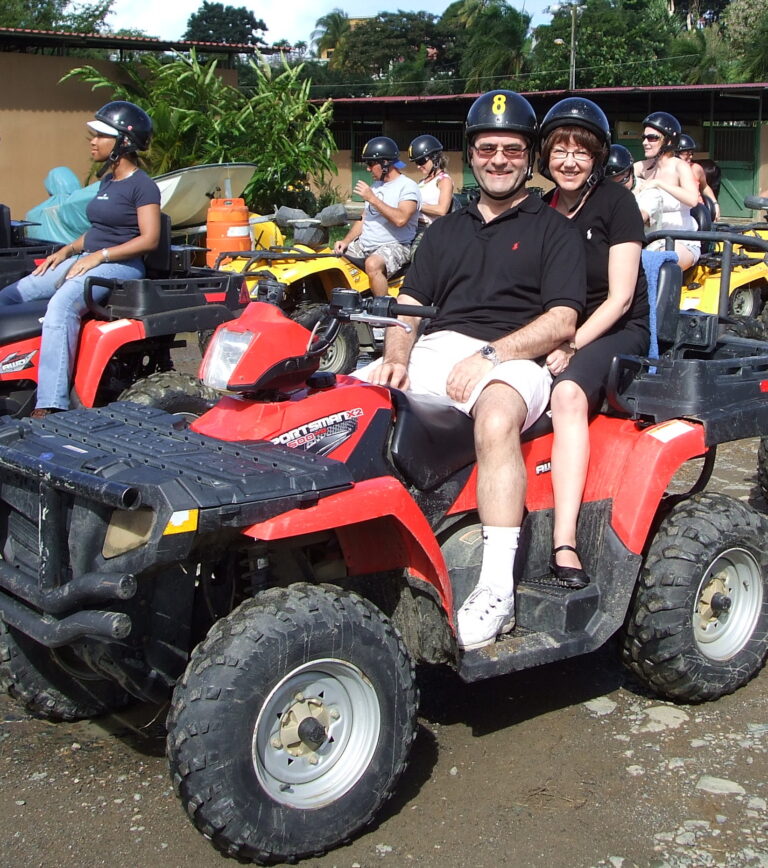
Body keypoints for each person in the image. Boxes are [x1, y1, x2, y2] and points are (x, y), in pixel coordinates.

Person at [355, 90, 586, 650]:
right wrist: (394, 358)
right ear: (472, 154)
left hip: (515, 357)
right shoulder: (445, 231)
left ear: (528, 157)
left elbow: (561, 320)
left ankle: (495, 585)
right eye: (488, 148)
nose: (499, 159)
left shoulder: (553, 229)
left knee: (498, 413)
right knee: (346, 397)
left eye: (511, 149)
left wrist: (491, 355)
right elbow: (410, 310)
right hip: (439, 349)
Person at [540, 98, 649, 588]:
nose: (569, 160)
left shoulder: (615, 203)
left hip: (615, 328)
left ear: (598, 157)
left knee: (565, 395)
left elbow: (621, 298)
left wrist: (571, 345)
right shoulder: (540, 209)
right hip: (560, 325)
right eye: (559, 149)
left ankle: (565, 541)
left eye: (580, 152)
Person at [0, 100, 161, 417]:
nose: (93, 141)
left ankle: (51, 402)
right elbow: (99, 230)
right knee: (7, 296)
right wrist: (67, 251)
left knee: (62, 305)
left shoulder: (143, 186)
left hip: (122, 265)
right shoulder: (107, 182)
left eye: (101, 136)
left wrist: (99, 256)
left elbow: (149, 239)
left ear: (123, 143)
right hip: (91, 257)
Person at [334, 137, 420, 297]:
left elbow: (401, 219)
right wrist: (345, 241)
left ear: (385, 163)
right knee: (331, 258)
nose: (368, 169)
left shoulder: (408, 187)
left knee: (373, 264)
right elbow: (364, 219)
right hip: (365, 245)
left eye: (371, 164)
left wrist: (372, 198)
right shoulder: (376, 186)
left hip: (395, 245)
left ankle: (381, 313)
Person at [634, 112, 700, 270]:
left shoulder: (679, 166)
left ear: (669, 140)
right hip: (648, 238)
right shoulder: (642, 167)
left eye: (652, 138)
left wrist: (659, 184)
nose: (645, 142)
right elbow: (618, 176)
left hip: (679, 240)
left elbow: (692, 199)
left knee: (659, 261)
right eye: (644, 137)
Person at [605, 143, 663, 231]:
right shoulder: (602, 190)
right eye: (612, 184)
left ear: (631, 172)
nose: (618, 189)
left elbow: (639, 217)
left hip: (648, 242)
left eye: (622, 180)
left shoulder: (649, 192)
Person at [408, 134, 455, 227]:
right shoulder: (423, 181)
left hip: (427, 228)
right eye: (416, 163)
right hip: (413, 226)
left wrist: (417, 205)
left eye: (421, 162)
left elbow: (442, 210)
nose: (418, 166)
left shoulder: (444, 180)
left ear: (435, 158)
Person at [677, 133, 720, 221]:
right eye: (687, 153)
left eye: (691, 153)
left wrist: (715, 204)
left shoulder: (696, 168)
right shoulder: (666, 171)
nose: (691, 156)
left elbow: (705, 187)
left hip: (695, 212)